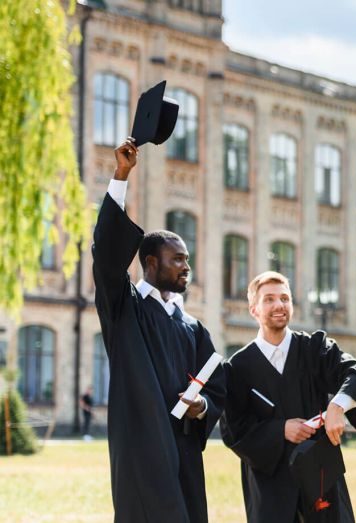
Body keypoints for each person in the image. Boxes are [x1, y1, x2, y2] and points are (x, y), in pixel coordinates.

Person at [92, 139, 226, 523]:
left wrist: (202, 407)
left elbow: (216, 388)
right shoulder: (125, 308)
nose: (187, 267)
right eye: (178, 259)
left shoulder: (192, 327)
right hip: (141, 451)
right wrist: (121, 176)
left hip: (184, 453)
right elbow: (106, 256)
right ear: (151, 263)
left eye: (188, 259)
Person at [220, 271, 356, 523]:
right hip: (271, 484)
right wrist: (280, 429)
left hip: (320, 476)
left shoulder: (314, 349)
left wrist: (338, 404)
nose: (279, 305)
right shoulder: (238, 367)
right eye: (269, 299)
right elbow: (233, 431)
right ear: (254, 309)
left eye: (285, 298)